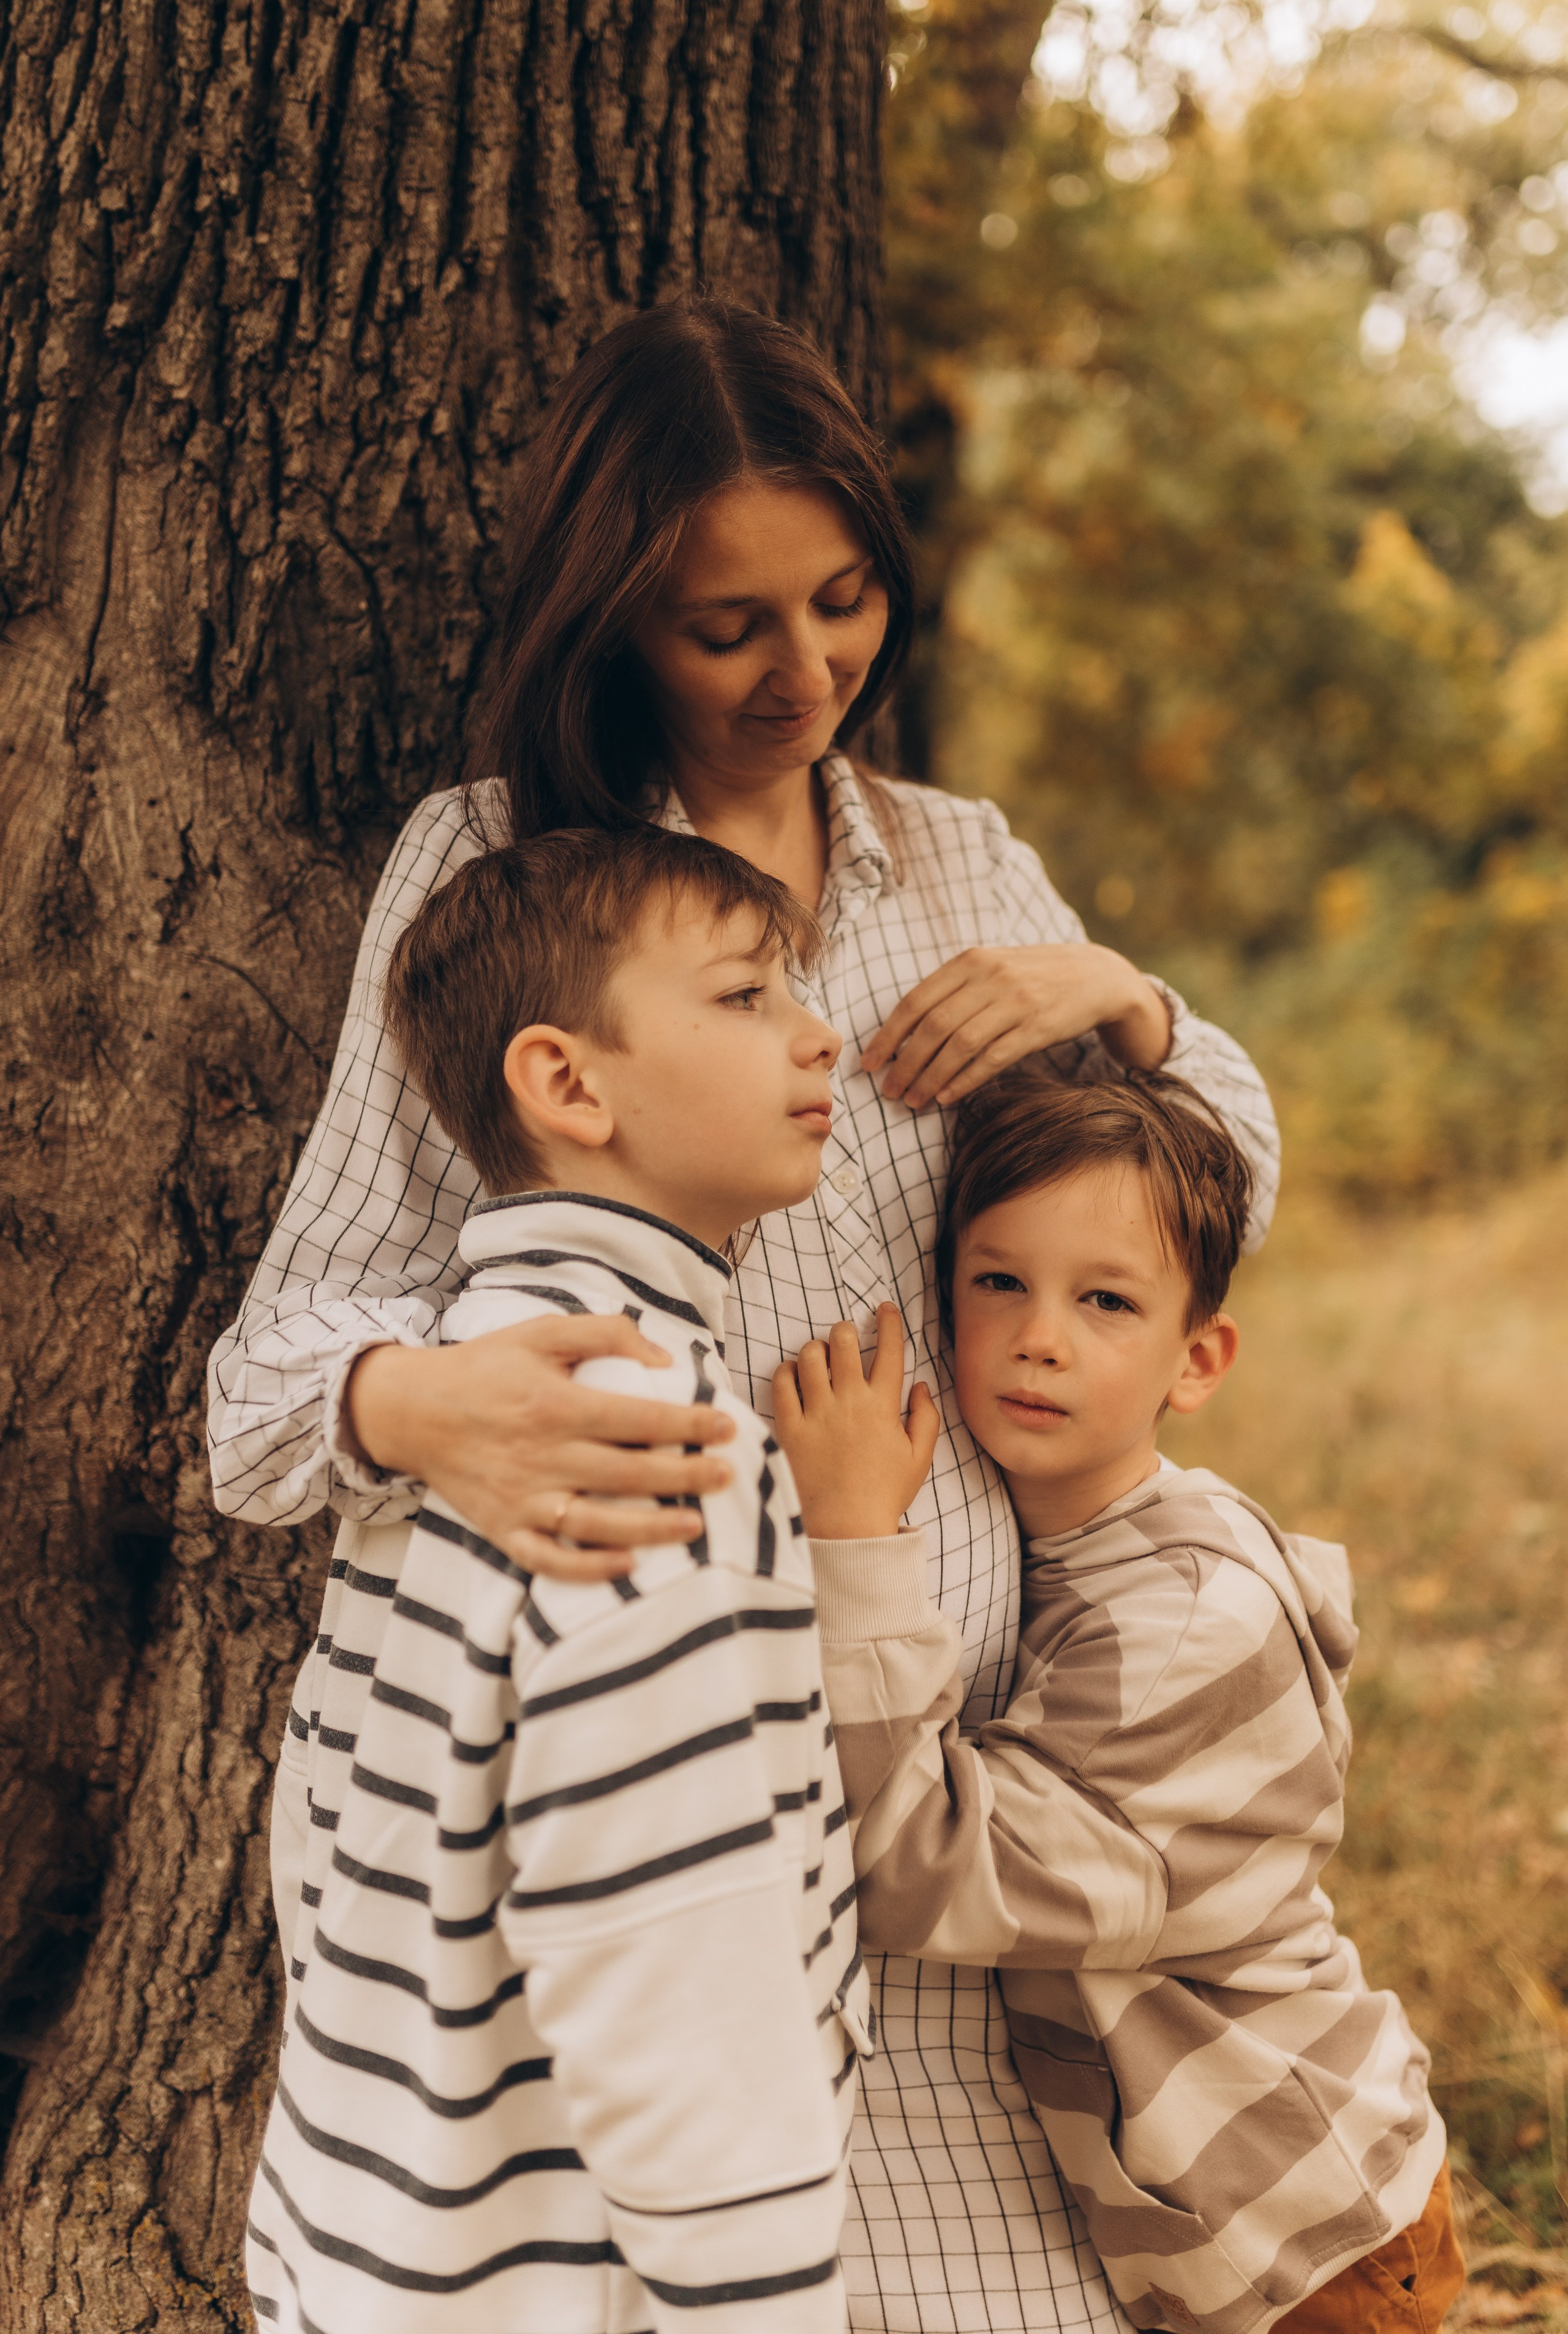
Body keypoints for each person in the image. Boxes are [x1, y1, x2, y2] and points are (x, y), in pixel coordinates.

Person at [211, 297, 1282, 2333]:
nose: (809, 677)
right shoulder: (512, 879)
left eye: (849, 601)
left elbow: (1218, 1210)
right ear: (614, 617)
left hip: (972, 1831)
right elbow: (263, 1394)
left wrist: (1127, 1010)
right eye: (731, 629)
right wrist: (427, 1402)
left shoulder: (957, 864)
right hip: (683, 1831)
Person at [249, 825, 883, 2334]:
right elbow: (666, 1960)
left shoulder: (456, 1403)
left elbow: (324, 1834)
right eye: (743, 997)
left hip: (367, 2248)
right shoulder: (640, 1430)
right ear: (568, 1084)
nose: (819, 1030)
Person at [773, 1068, 1462, 2334]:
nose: (1040, 1335)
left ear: (1194, 1361)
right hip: (1220, 2229)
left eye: (1103, 1300)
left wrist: (854, 1540)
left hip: (1304, 2229)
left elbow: (926, 1871)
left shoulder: (1189, 1626)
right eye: (999, 1284)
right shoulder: (1080, 1547)